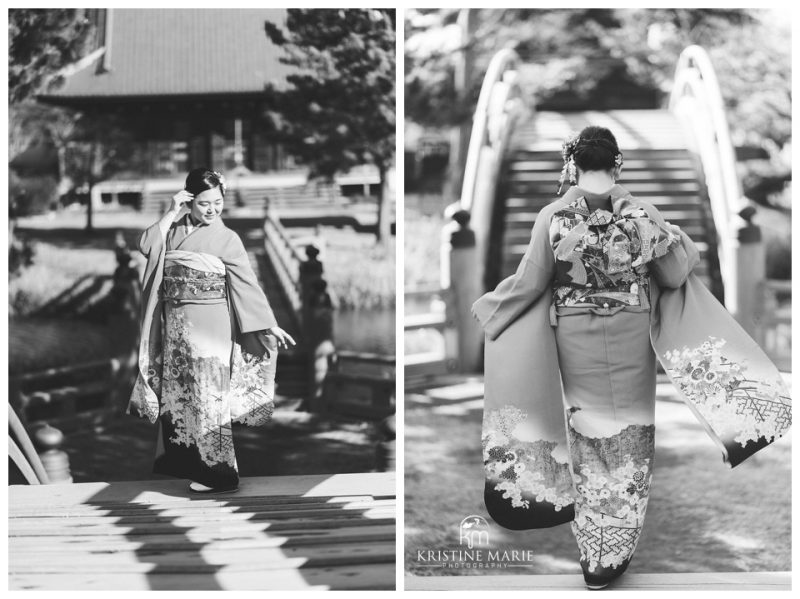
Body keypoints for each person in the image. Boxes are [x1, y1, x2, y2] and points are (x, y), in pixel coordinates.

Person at [472, 127, 791, 589]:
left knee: (586, 435)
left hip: (576, 336)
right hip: (630, 334)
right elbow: (677, 273)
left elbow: (528, 283)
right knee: (631, 436)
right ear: (617, 164)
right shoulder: (642, 214)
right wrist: (671, 235)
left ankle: (592, 553)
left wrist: (490, 309)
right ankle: (611, 557)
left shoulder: (554, 216)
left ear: (572, 165)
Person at [127, 168, 295, 494]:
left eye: (218, 202)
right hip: (176, 328)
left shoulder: (227, 238)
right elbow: (146, 245)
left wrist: (267, 323)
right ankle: (190, 466)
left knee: (209, 398)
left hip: (212, 327)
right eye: (204, 203)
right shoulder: (172, 230)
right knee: (180, 397)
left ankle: (221, 473)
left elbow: (246, 282)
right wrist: (171, 210)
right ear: (190, 199)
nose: (212, 210)